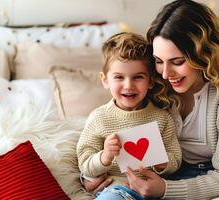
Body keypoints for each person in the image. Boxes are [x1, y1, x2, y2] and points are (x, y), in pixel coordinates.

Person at [83, 0, 219, 199]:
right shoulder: (150, 81)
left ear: (205, 54)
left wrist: (166, 190)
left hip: (208, 177)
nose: (165, 74)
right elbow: (106, 128)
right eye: (158, 61)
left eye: (178, 62)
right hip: (149, 176)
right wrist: (89, 176)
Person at [76, 32, 182, 200]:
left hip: (154, 191)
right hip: (116, 191)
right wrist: (104, 157)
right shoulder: (99, 118)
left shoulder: (162, 118)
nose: (128, 85)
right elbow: (85, 163)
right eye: (119, 77)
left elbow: (175, 158)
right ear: (105, 80)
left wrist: (163, 163)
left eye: (138, 77)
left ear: (151, 81)